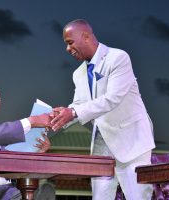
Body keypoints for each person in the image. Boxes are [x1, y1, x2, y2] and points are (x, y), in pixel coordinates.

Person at [51, 19, 156, 200]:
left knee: (137, 196)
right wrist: (55, 118)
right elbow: (78, 106)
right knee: (100, 197)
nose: (68, 49)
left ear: (86, 36)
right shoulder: (78, 73)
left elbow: (112, 99)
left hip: (131, 138)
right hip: (101, 140)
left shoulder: (118, 58)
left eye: (70, 43)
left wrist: (73, 112)